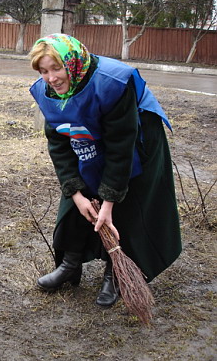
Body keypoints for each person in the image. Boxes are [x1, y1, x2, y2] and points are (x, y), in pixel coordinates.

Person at [28, 34, 182, 308]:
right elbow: (60, 146)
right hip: (87, 134)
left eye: (56, 68)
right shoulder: (46, 91)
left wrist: (109, 201)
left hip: (136, 141)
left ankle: (115, 274)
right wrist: (76, 193)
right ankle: (70, 264)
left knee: (125, 202)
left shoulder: (113, 84)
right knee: (81, 193)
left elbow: (120, 150)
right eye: (43, 71)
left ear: (72, 64)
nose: (51, 78)